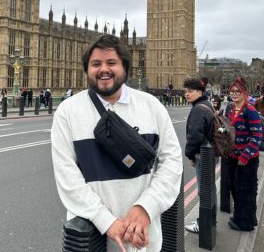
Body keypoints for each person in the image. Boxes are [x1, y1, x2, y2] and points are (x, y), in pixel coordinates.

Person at [51, 35, 183, 252]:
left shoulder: (152, 106)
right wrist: (106, 221)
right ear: (87, 69)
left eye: (111, 62)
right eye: (96, 64)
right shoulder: (68, 111)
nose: (104, 69)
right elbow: (67, 178)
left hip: (144, 240)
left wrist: (146, 208)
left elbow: (172, 164)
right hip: (93, 241)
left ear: (125, 67)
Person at [224, 77, 262, 232]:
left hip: (247, 160)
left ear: (244, 93)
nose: (234, 94)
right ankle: (240, 217)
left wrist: (245, 156)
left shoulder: (250, 110)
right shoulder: (230, 108)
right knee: (236, 189)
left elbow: (257, 136)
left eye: (237, 91)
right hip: (233, 157)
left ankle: (246, 223)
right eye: (232, 91)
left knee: (246, 190)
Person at [183, 77, 215, 234]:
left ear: (200, 92)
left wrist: (189, 155)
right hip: (211, 153)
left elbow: (194, 136)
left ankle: (203, 224)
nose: (186, 94)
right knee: (209, 189)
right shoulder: (207, 105)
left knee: (204, 191)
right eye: (186, 91)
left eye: (190, 91)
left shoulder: (198, 109)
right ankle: (210, 221)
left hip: (203, 154)